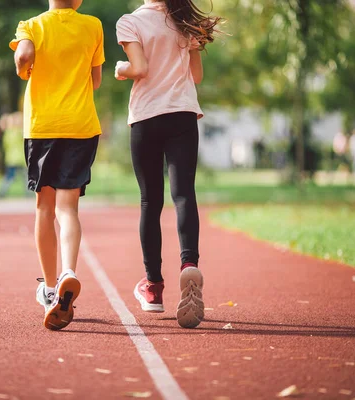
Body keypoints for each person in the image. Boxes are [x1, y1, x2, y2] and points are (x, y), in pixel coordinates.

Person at [115, 0, 221, 328]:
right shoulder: (186, 21)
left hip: (147, 116)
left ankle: (153, 288)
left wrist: (121, 69)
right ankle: (189, 263)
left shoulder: (129, 22)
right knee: (184, 194)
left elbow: (140, 68)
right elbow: (197, 75)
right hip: (183, 115)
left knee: (150, 202)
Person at [10, 0, 104, 330]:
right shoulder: (92, 26)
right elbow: (95, 81)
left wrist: (24, 70)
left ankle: (51, 290)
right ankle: (69, 271)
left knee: (43, 208)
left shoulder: (32, 26)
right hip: (81, 126)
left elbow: (23, 57)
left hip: (43, 127)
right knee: (68, 209)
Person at [0, 112, 28, 198]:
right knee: (25, 178)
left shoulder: (7, 133)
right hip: (20, 158)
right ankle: (28, 194)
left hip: (11, 158)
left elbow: (5, 145)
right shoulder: (19, 132)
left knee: (9, 177)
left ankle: (2, 192)